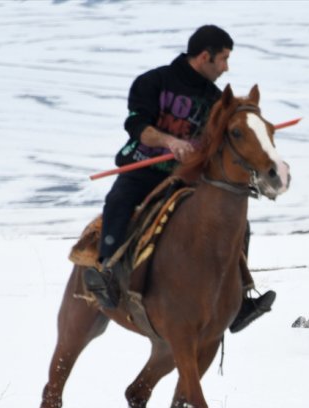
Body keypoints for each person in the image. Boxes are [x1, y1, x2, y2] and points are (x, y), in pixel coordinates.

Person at [84, 24, 275, 333]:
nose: (226, 68)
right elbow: (137, 126)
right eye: (223, 59)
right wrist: (170, 142)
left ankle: (240, 297)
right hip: (143, 169)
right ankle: (106, 274)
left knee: (238, 222)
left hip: (186, 178)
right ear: (204, 56)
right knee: (118, 202)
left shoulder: (217, 100)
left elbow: (221, 141)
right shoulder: (153, 82)